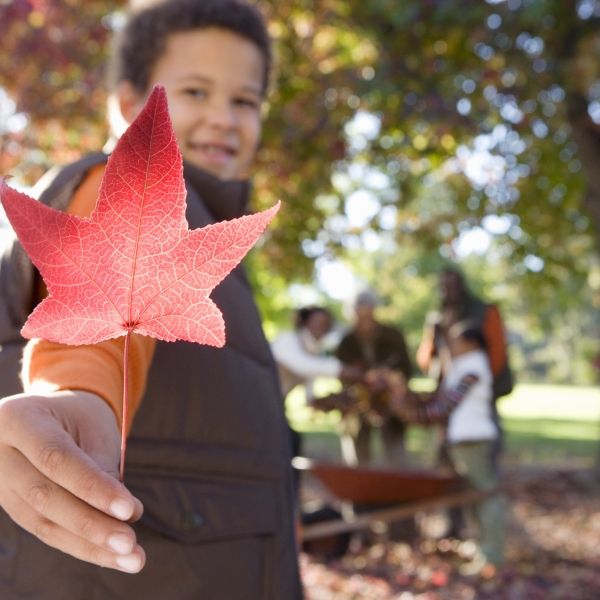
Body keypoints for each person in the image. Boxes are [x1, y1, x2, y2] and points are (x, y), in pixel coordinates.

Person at [0, 1, 302, 598]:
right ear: (127, 102)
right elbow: (98, 330)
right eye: (194, 91)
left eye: (244, 100)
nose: (223, 117)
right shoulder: (113, 186)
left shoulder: (210, 227)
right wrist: (80, 401)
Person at [392, 321, 506, 572]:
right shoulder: (463, 366)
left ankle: (493, 554)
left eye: (457, 341)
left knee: (485, 493)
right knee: (476, 495)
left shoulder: (474, 367)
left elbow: (448, 404)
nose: (452, 346)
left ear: (472, 344)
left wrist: (415, 415)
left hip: (473, 438)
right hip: (463, 438)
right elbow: (442, 396)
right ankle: (484, 551)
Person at [335, 290, 413, 466]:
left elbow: (406, 368)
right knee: (358, 446)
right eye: (360, 316)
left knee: (395, 447)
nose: (365, 322)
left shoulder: (393, 335)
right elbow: (341, 373)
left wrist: (389, 379)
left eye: (368, 315)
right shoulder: (346, 341)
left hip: (391, 400)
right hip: (358, 401)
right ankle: (360, 482)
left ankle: (396, 481)